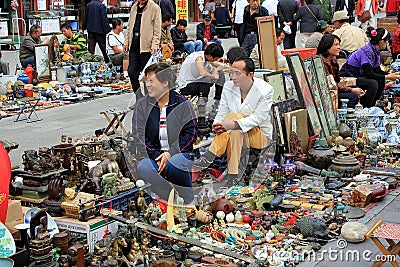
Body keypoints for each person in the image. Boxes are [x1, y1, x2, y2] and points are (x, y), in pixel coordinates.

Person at [193, 57, 273, 183]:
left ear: (250, 75)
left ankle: (211, 154)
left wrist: (233, 123)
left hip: (259, 135)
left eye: (238, 73)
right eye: (231, 73)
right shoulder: (228, 87)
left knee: (234, 120)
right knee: (234, 128)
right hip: (236, 134)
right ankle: (233, 175)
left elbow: (258, 118)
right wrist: (217, 125)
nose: (233, 77)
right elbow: (222, 111)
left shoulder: (265, 90)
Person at [133, 63, 198, 204]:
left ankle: (188, 199)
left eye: (151, 81)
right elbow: (138, 135)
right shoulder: (142, 105)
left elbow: (191, 133)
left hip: (180, 153)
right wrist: (157, 155)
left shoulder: (182, 104)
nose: (148, 85)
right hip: (153, 155)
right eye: (146, 81)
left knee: (175, 164)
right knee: (144, 167)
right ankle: (169, 196)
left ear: (165, 83)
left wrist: (170, 153)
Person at [339, 28, 400, 107]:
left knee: (380, 81)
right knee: (373, 83)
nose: (388, 43)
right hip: (349, 77)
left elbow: (377, 70)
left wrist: (392, 75)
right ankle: (367, 107)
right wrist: (387, 76)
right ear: (381, 42)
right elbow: (369, 73)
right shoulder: (366, 51)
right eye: (387, 40)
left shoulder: (375, 51)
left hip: (359, 76)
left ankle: (372, 104)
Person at [124, 0, 162, 100]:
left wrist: (155, 44)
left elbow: (157, 29)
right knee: (131, 72)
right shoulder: (134, 7)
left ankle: (149, 99)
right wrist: (126, 41)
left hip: (146, 46)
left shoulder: (154, 7)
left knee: (147, 76)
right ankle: (139, 97)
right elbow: (129, 27)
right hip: (134, 44)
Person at [317, 34, 362, 109]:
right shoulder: (320, 63)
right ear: (327, 47)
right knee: (353, 96)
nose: (339, 47)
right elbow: (330, 84)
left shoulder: (333, 61)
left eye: (339, 44)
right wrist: (351, 90)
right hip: (326, 93)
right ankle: (346, 116)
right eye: (336, 45)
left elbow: (336, 81)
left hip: (334, 89)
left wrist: (352, 88)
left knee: (356, 88)